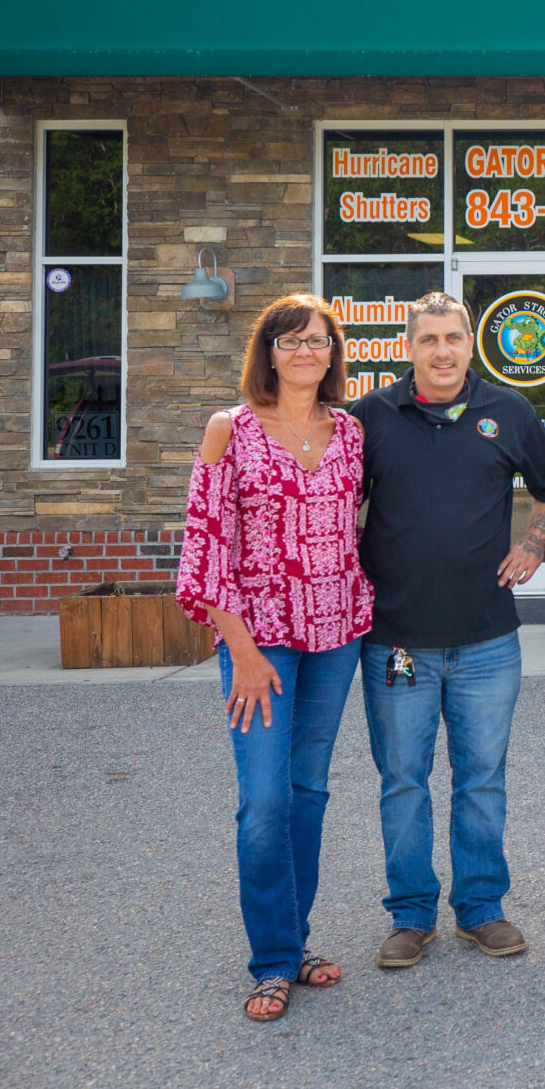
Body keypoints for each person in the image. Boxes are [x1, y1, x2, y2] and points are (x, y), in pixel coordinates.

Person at [349, 292, 545, 970]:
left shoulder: (509, 411)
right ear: (407, 347)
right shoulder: (371, 417)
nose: (442, 350)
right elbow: (337, 502)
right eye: (429, 339)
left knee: (481, 777)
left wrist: (533, 544)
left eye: (453, 337)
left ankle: (480, 907)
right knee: (404, 777)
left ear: (471, 343)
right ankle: (411, 914)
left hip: (486, 641)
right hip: (399, 642)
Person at [174, 294, 373, 1022]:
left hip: (337, 632)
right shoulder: (231, 429)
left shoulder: (349, 432)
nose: (304, 352)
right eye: (290, 340)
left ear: (332, 354)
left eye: (318, 340)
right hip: (260, 639)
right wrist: (242, 648)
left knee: (308, 791)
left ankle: (293, 944)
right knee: (264, 801)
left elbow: (360, 530)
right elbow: (203, 542)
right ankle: (270, 961)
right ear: (268, 351)